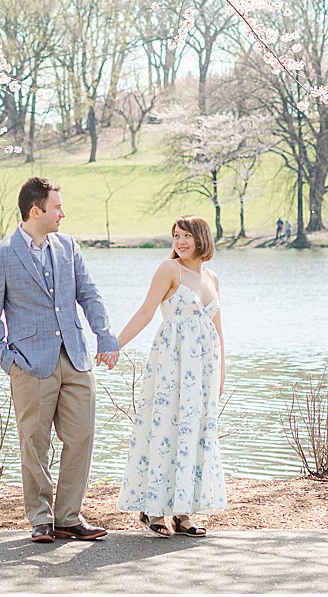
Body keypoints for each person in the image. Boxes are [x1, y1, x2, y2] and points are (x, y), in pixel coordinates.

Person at [0, 177, 121, 544]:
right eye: (57, 207)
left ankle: (68, 517)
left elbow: (89, 294)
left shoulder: (68, 247)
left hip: (75, 358)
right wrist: (8, 360)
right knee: (34, 442)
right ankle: (40, 518)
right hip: (30, 364)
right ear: (35, 210)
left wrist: (104, 335)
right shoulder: (0, 256)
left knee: (82, 437)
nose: (63, 213)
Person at [115, 214, 227, 537]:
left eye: (186, 236)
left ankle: (183, 512)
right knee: (165, 428)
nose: (180, 242)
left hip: (203, 369)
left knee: (193, 434)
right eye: (176, 236)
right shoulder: (169, 270)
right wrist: (114, 345)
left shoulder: (213, 278)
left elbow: (219, 331)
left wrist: (220, 375)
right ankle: (153, 509)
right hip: (171, 364)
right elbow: (145, 312)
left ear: (201, 238)